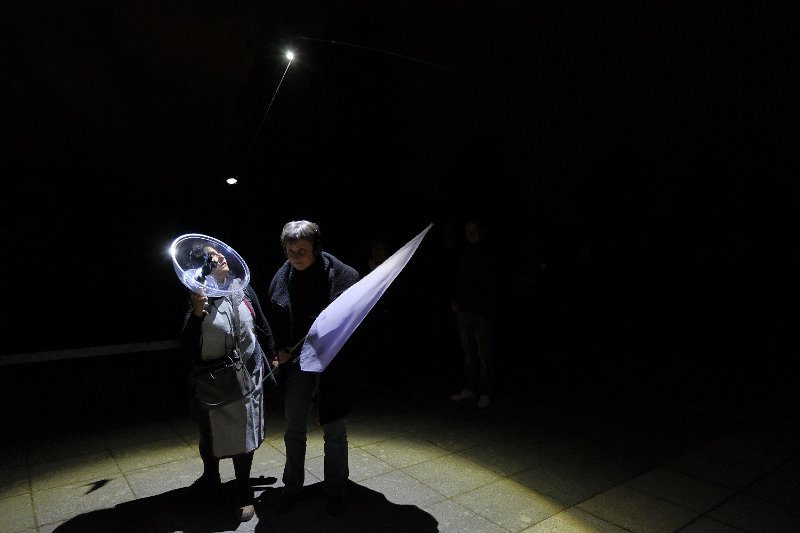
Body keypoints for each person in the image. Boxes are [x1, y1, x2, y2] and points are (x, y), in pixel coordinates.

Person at [266, 220, 360, 516]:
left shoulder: (344, 277)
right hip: (298, 363)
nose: (295, 257)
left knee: (334, 428)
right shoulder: (280, 280)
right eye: (290, 251)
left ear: (316, 249)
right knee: (294, 427)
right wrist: (279, 349)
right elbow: (275, 324)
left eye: (302, 251)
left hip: (334, 362)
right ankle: (292, 486)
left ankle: (336, 489)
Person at [179, 243, 276, 522]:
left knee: (244, 433)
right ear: (202, 266)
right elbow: (186, 345)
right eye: (211, 256)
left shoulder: (243, 288)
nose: (220, 257)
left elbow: (261, 324)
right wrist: (197, 311)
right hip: (211, 380)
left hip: (246, 375)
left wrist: (272, 354)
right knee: (210, 433)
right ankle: (211, 478)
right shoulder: (196, 295)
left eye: (219, 253)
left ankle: (243, 491)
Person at [449, 217, 496, 408]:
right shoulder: (463, 252)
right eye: (468, 230)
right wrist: (455, 299)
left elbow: (491, 283)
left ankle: (485, 392)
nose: (471, 234)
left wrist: (486, 309)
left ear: (481, 231)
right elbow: (456, 278)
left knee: (484, 354)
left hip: (481, 311)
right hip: (465, 310)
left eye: (474, 230)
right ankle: (471, 388)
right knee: (469, 354)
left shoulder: (488, 253)